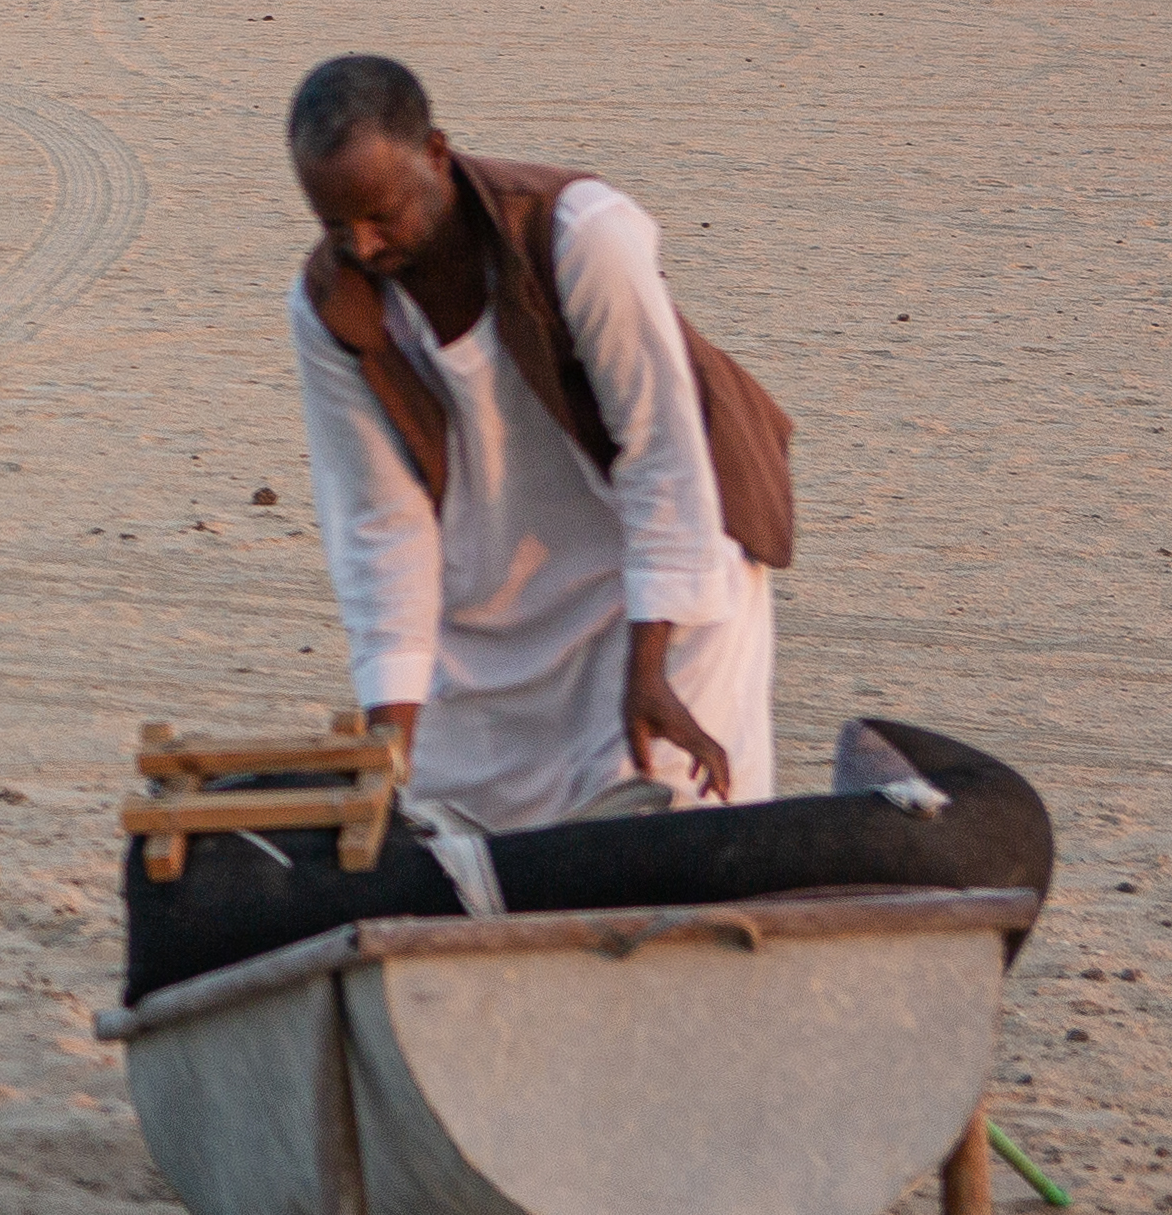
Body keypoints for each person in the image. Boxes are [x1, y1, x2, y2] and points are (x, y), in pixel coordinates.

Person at [282, 54, 796, 833]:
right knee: (452, 826)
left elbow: (662, 446)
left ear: (436, 155)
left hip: (661, 572)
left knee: (669, 832)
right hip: (494, 604)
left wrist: (649, 667)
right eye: (332, 223)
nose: (361, 244)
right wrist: (390, 744)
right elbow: (379, 523)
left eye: (382, 213)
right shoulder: (331, 306)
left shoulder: (578, 234)